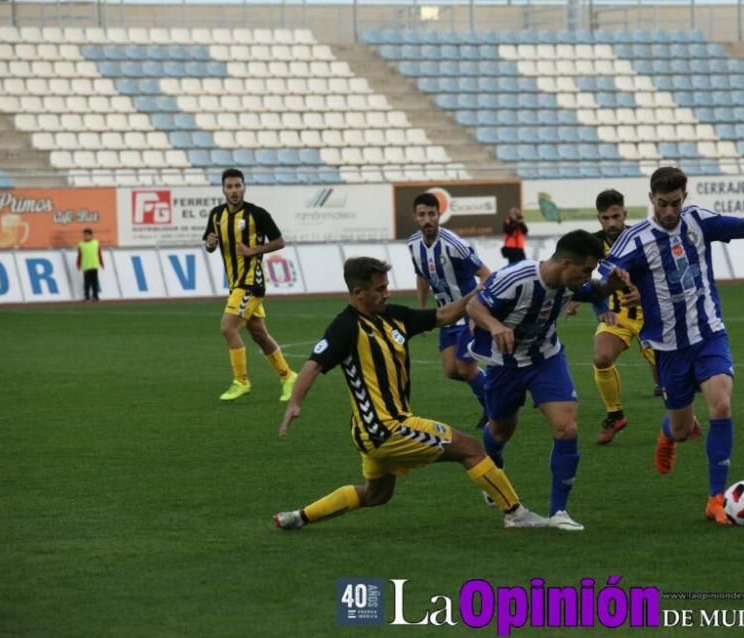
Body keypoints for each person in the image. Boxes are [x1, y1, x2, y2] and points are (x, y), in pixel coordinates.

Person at [274, 257, 548, 530]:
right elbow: (313, 365)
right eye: (380, 289)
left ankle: (299, 517)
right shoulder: (345, 326)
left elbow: (442, 315)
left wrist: (475, 295)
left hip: (370, 431)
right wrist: (294, 403)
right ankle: (517, 514)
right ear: (358, 293)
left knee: (376, 495)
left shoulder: (394, 316)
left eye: (386, 286)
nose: (387, 293)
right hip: (387, 427)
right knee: (471, 448)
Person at [600, 166, 744, 525]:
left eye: (675, 203)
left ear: (685, 197)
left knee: (721, 406)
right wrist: (619, 282)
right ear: (650, 200)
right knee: (681, 429)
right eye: (662, 204)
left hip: (709, 334)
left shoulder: (699, 221)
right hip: (668, 348)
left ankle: (715, 499)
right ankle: (667, 435)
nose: (669, 212)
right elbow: (604, 276)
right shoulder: (636, 239)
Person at [467, 230, 637, 531]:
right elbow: (474, 307)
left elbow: (594, 291)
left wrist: (613, 284)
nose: (587, 277)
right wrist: (494, 325)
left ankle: (559, 511)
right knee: (501, 429)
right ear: (567, 263)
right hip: (504, 363)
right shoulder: (515, 277)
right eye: (586, 270)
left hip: (546, 358)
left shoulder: (570, 282)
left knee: (566, 426)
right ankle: (493, 468)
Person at [566, 189, 662, 445]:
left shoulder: (642, 238)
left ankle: (687, 419)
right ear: (599, 219)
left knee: (665, 380)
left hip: (652, 315)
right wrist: (576, 298)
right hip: (619, 315)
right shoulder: (595, 245)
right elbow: (582, 275)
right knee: (601, 357)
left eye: (616, 216)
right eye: (605, 218)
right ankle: (615, 415)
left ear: (624, 214)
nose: (611, 223)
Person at [203, 168, 297, 402]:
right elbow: (209, 244)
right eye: (230, 187)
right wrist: (210, 243)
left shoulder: (257, 214)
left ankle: (241, 381)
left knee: (228, 327)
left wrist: (254, 250)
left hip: (251, 283)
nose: (234, 191)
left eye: (238, 186)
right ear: (223, 189)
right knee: (259, 334)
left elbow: (279, 241)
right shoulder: (216, 215)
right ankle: (288, 377)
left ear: (244, 187)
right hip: (235, 283)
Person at [407, 193, 491, 427]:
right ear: (415, 217)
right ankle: (494, 395)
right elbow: (422, 277)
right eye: (422, 215)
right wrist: (422, 312)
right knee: (452, 370)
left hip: (467, 312)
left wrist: (479, 307)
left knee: (465, 368)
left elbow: (486, 274)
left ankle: (495, 406)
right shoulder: (413, 244)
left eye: (431, 214)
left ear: (439, 215)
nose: (427, 220)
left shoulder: (454, 244)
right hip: (446, 315)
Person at [76, 228, 103, 302]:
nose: (85, 236)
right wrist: (78, 264)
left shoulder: (96, 242)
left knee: (94, 282)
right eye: (84, 235)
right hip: (86, 266)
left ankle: (95, 296)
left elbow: (99, 253)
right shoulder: (81, 244)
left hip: (94, 265)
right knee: (86, 283)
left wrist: (101, 263)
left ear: (91, 235)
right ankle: (86, 297)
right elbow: (79, 255)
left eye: (87, 235)